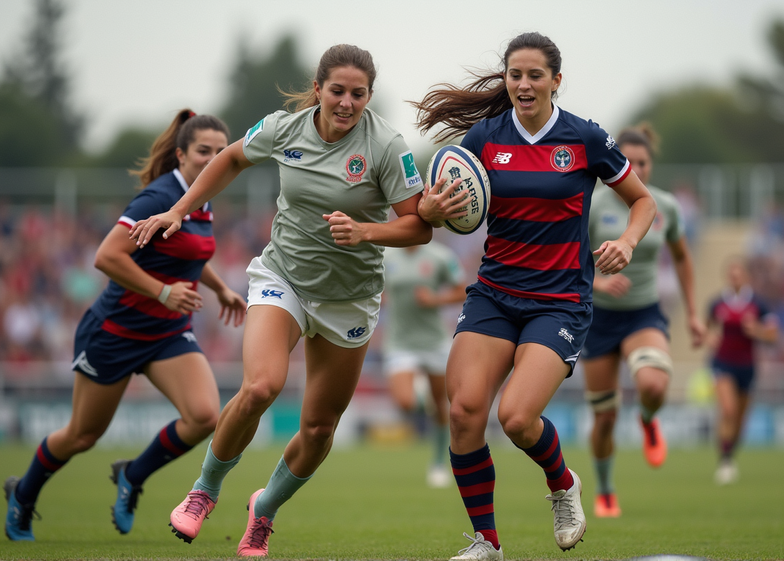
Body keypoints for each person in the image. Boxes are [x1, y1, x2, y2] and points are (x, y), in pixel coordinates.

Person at [129, 44, 432, 557]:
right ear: (317, 89)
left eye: (358, 94)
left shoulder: (386, 145)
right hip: (283, 277)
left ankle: (263, 509)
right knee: (261, 386)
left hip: (350, 300)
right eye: (336, 90)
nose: (346, 102)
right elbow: (229, 159)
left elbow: (418, 226)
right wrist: (179, 209)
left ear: (369, 97)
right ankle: (204, 490)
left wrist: (365, 232)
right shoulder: (284, 129)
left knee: (318, 428)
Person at [413, 32, 657, 560]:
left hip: (559, 302)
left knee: (517, 418)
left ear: (555, 81)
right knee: (463, 413)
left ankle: (563, 482)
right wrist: (431, 212)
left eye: (534, 75)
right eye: (515, 75)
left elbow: (642, 202)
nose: (523, 84)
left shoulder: (585, 138)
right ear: (507, 80)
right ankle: (487, 543)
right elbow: (447, 215)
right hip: (495, 295)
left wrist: (628, 241)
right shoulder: (483, 139)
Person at [3, 110, 247, 541]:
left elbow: (187, 253)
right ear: (180, 155)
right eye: (202, 152)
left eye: (218, 152)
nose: (212, 160)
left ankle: (132, 475)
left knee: (205, 415)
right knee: (82, 436)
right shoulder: (156, 198)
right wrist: (163, 292)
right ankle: (22, 494)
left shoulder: (202, 198)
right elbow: (106, 257)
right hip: (115, 333)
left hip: (168, 332)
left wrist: (221, 288)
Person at [580, 123, 705, 518]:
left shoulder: (664, 206)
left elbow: (683, 258)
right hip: (598, 319)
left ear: (652, 165)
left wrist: (695, 314)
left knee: (653, 384)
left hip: (643, 314)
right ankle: (604, 489)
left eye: (643, 162)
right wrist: (598, 284)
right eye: (628, 161)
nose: (636, 167)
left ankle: (649, 419)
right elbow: (571, 260)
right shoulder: (595, 204)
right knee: (604, 419)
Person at [382, 242, 467, 488]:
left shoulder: (441, 255)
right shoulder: (386, 254)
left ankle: (438, 464)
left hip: (434, 342)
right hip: (400, 341)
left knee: (442, 406)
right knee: (405, 402)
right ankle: (420, 393)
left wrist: (435, 299)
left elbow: (463, 290)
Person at [706, 258, 779, 485]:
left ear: (746, 277)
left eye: (738, 274)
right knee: (728, 410)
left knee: (739, 419)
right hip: (722, 363)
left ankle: (729, 455)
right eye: (731, 274)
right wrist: (709, 338)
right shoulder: (717, 303)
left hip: (747, 366)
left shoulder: (759, 304)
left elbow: (773, 336)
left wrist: (756, 330)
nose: (734, 278)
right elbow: (706, 330)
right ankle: (724, 461)